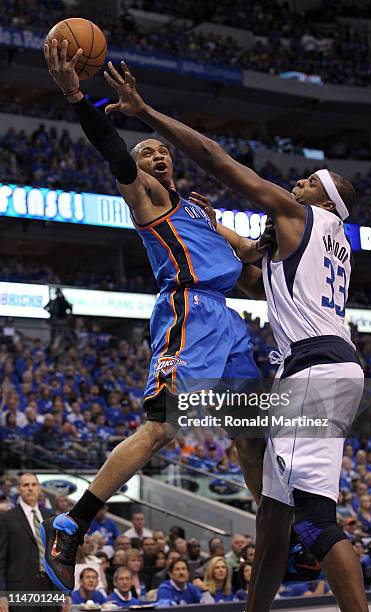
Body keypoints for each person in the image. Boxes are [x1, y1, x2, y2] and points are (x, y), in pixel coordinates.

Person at [100, 61, 368, 612]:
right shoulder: (322, 242)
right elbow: (248, 266)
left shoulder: (300, 216)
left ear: (322, 201)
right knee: (272, 517)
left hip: (312, 371)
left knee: (314, 521)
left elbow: (219, 161)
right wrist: (207, 221)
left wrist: (146, 112)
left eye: (307, 182)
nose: (296, 183)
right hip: (335, 367)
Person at [41, 37, 265, 594]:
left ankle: (275, 528)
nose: (157, 155)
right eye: (148, 155)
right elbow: (114, 152)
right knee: (162, 427)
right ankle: (74, 523)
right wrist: (78, 100)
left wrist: (305, 224)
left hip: (229, 321)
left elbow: (251, 255)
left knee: (251, 436)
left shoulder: (197, 208)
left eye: (160, 151)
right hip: (189, 312)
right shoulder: (147, 199)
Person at [0, 473, 60, 612]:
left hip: (50, 587)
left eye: (34, 484)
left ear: (39, 488)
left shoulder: (50, 517)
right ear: (19, 489)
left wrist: (64, 592)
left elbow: (58, 557)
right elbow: (1, 559)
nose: (30, 488)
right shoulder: (6, 518)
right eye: (25, 485)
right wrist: (1, 593)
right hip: (20, 588)